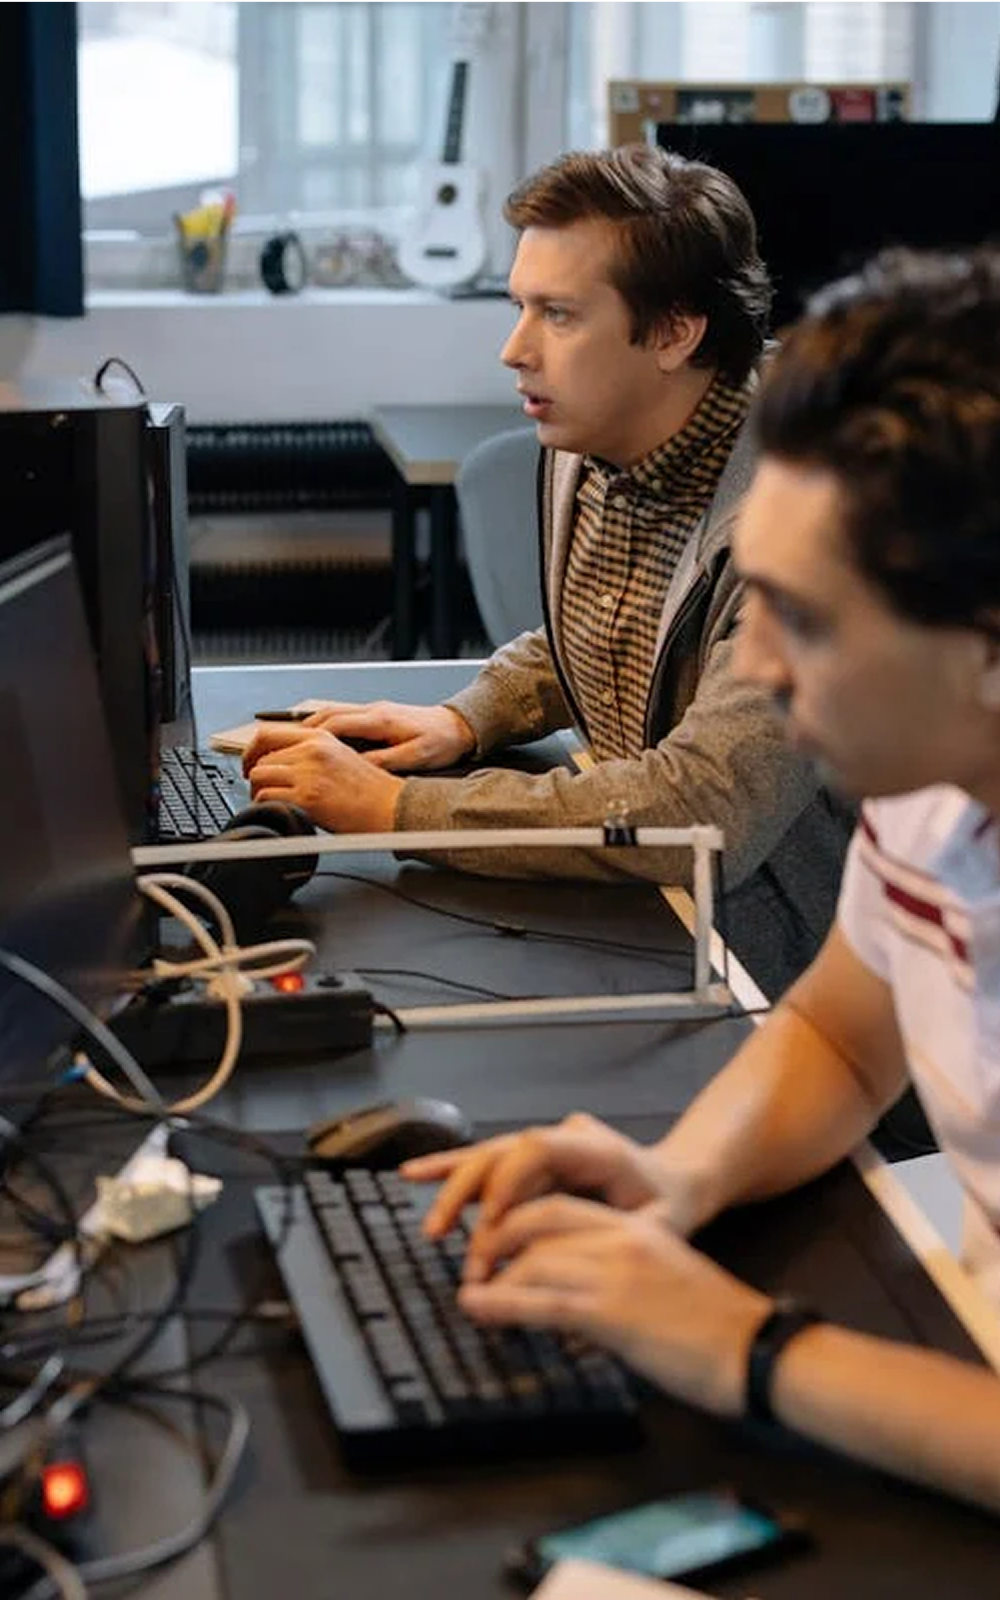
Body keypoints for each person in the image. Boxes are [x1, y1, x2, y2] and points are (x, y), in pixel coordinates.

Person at [401, 247, 1000, 1513]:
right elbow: (842, 1035)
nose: (761, 669)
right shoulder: (933, 786)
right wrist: (681, 1172)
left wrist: (745, 1344)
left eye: (807, 618)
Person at [242, 143, 854, 1005]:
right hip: (652, 909)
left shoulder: (807, 532)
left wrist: (396, 811)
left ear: (676, 331)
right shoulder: (592, 429)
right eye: (518, 306)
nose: (513, 350)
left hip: (789, 976)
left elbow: (702, 810)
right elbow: (626, 624)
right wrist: (468, 717)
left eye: (558, 315)